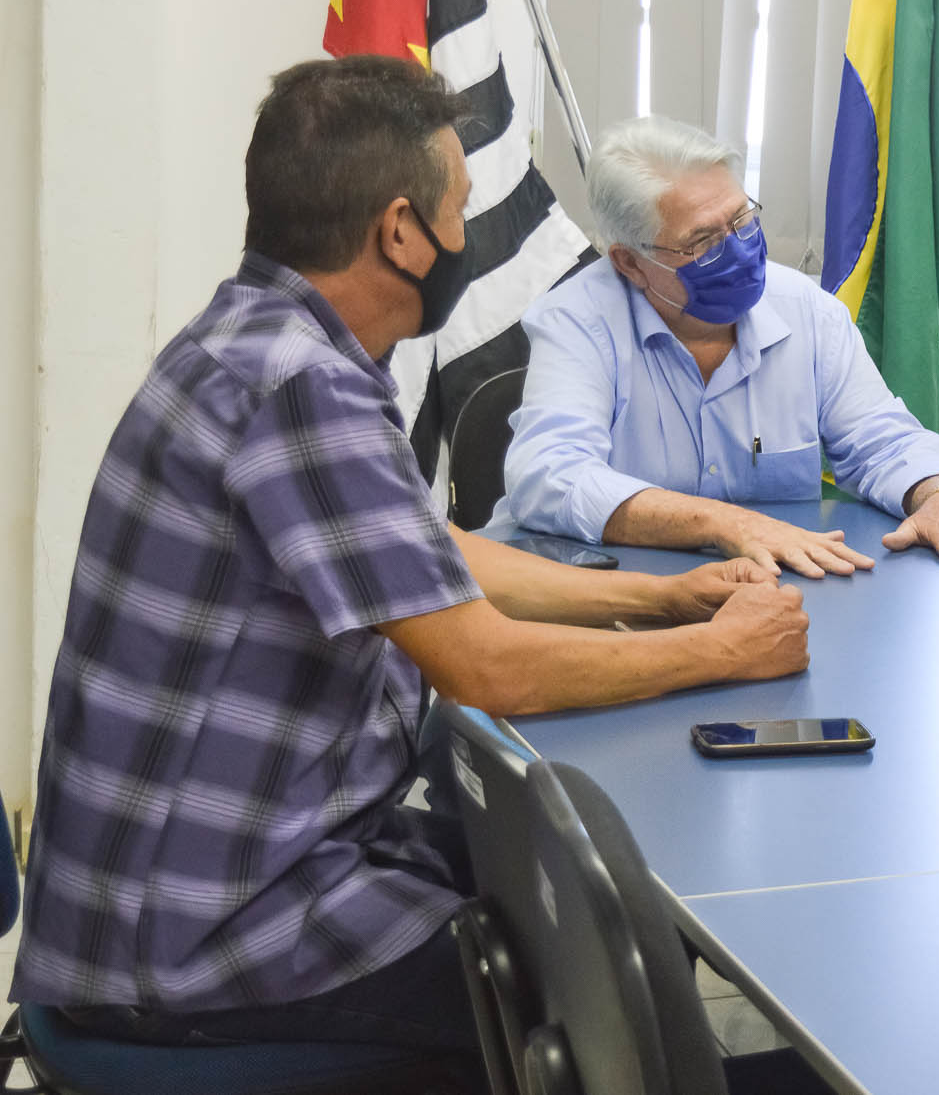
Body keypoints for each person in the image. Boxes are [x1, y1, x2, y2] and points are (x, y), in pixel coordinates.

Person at [11, 57, 809, 1084]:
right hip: (197, 937)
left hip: (203, 878)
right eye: (460, 210)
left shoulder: (265, 336)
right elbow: (486, 669)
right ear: (399, 230)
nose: (468, 240)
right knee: (616, 1007)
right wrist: (719, 651)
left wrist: (659, 596)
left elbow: (430, 554)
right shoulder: (296, 382)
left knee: (605, 905)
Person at [496, 115, 939, 579]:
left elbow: (882, 441)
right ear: (630, 263)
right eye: (703, 241)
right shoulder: (577, 323)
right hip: (612, 599)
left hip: (774, 592)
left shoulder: (808, 313)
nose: (739, 249)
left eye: (742, 219)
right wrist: (722, 524)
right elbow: (550, 473)